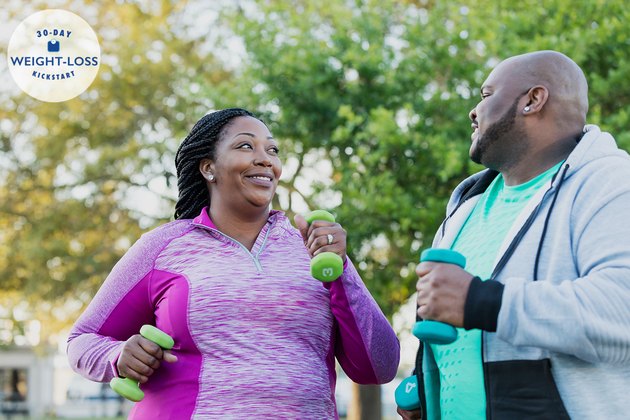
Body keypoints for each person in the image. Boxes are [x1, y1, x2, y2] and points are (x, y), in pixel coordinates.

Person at [67, 108, 400, 418]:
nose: (265, 160)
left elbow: (380, 366)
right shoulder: (163, 247)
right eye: (246, 146)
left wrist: (341, 272)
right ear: (208, 167)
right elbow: (81, 340)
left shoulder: (315, 245)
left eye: (273, 151)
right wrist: (117, 356)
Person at [398, 51, 630, 419]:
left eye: (486, 95)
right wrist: (423, 383)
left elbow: (622, 312)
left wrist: (481, 301)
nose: (474, 111)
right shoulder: (466, 208)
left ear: (532, 100)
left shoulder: (609, 182)